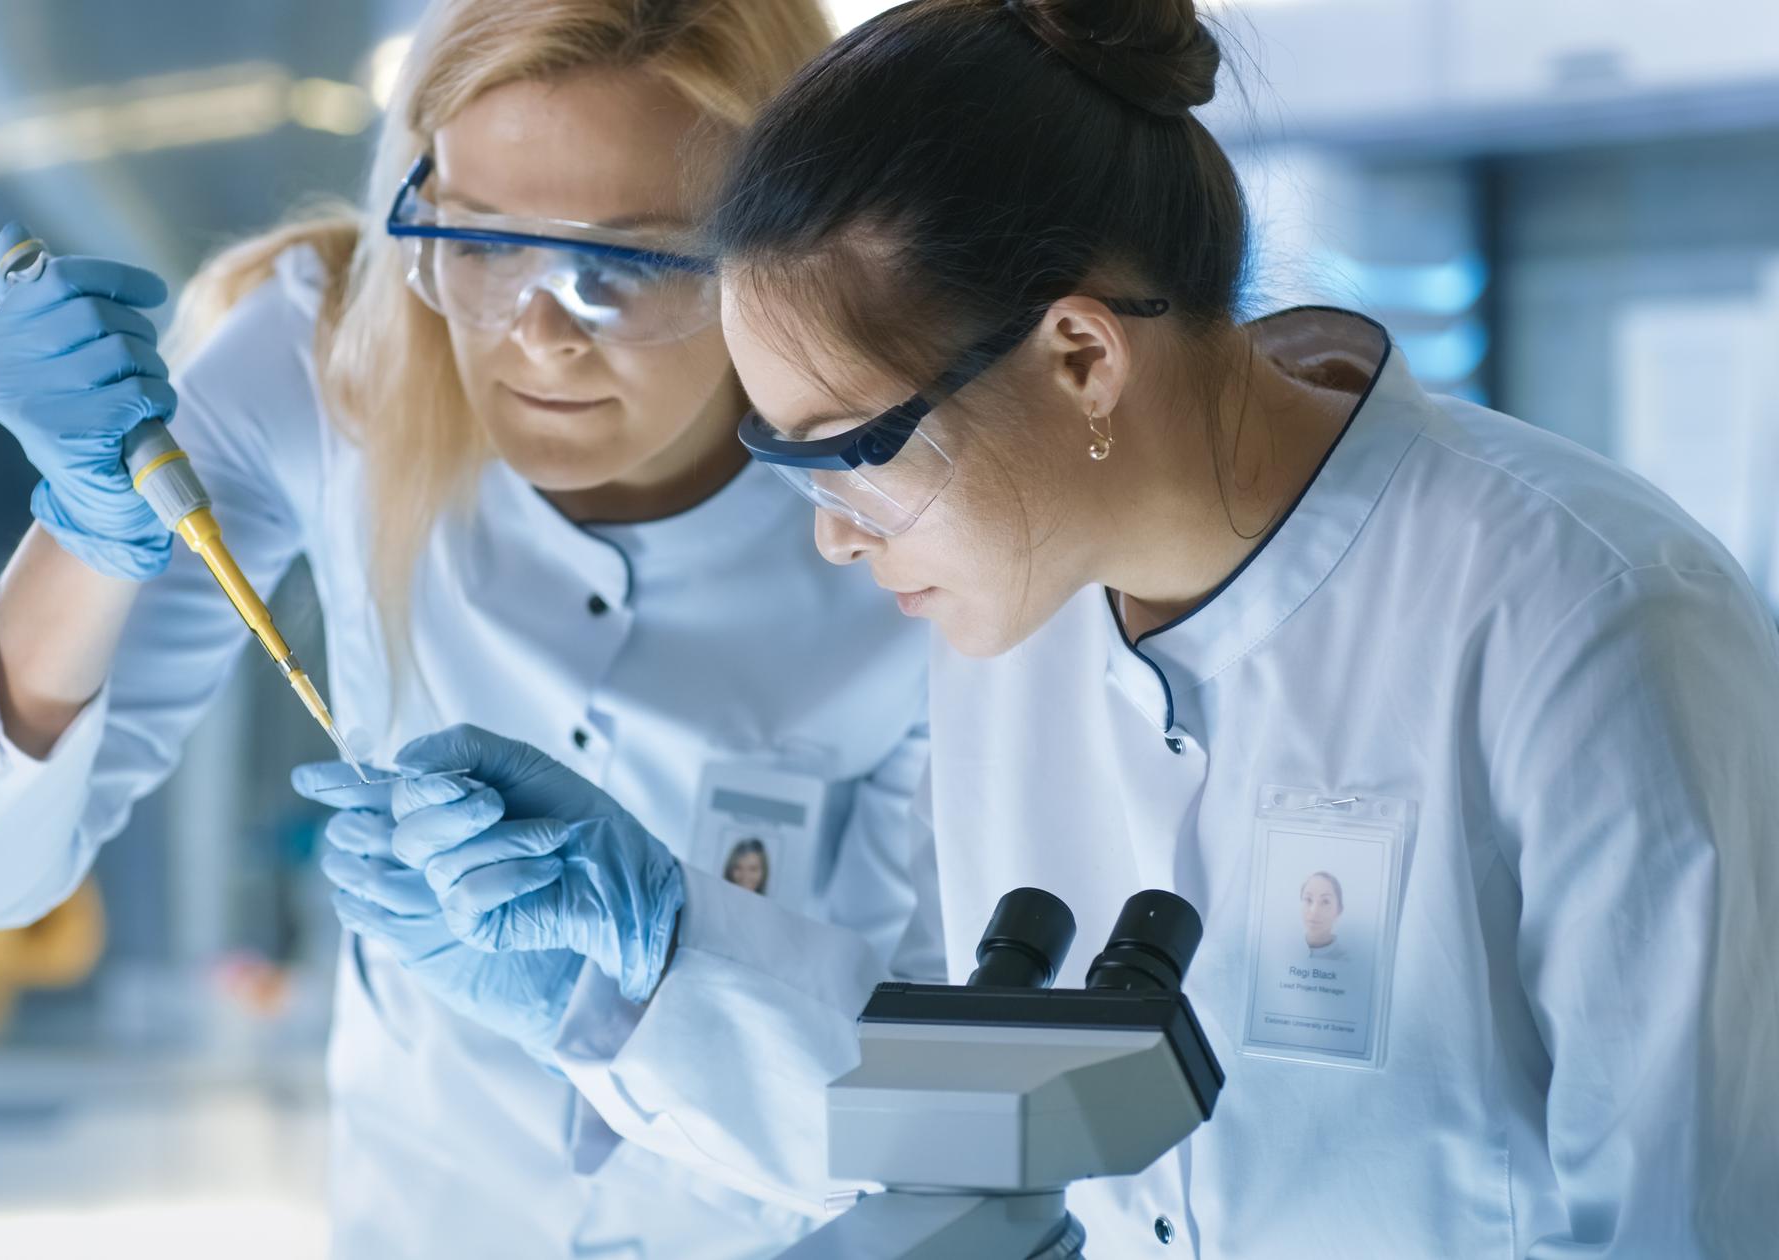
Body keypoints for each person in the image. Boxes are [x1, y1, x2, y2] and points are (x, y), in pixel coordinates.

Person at [379, 0, 1779, 1253]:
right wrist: (646, 971)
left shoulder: (1585, 612)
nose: (830, 529)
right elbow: (968, 1121)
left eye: (850, 451)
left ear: (1081, 357)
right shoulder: (1018, 628)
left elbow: (1692, 1212)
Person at [0, 2, 940, 1256]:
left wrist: (651, 970)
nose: (539, 333)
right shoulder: (334, 354)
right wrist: (88, 530)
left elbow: (943, 1081)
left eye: (633, 260)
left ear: (783, 247)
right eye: (484, 242)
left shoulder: (912, 503)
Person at [1299, 871, 1345, 958]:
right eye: (1308, 899)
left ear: (1339, 910)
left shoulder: (1347, 960)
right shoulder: (1287, 950)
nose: (1314, 911)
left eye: (1325, 901)